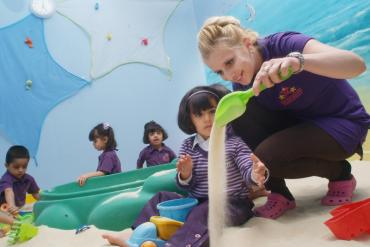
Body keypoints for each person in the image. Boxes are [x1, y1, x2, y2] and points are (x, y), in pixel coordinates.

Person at [198, 16, 370, 219]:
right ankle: (279, 193)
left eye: (229, 62)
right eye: (219, 72)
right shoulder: (242, 84)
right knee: (239, 116)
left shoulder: (284, 44)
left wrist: (299, 62)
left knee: (268, 156)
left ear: (247, 44)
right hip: (304, 127)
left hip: (344, 123)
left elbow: (357, 65)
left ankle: (340, 172)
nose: (229, 75)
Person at [102, 85, 267, 247]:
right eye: (199, 115)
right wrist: (185, 175)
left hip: (232, 204)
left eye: (212, 111)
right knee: (160, 198)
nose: (207, 119)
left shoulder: (234, 143)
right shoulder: (188, 146)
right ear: (190, 120)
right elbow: (183, 183)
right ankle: (137, 238)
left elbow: (247, 167)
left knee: (203, 212)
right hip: (196, 201)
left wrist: (255, 173)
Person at [0, 145, 40, 216]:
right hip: (5, 208)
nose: (20, 170)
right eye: (16, 167)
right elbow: (8, 191)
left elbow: (36, 194)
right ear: (6, 165)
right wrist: (12, 206)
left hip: (20, 207)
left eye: (24, 167)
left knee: (36, 208)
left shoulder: (28, 179)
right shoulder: (6, 178)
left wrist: (46, 202)